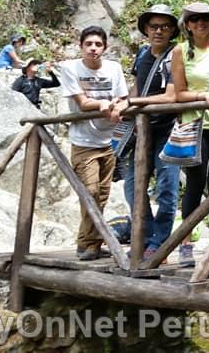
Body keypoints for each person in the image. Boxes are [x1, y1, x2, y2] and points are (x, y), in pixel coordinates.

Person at [171, 2, 209, 267]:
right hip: (194, 124)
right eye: (195, 19)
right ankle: (187, 244)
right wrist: (202, 97)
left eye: (205, 18)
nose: (200, 23)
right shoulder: (180, 51)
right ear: (187, 24)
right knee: (195, 182)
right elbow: (178, 93)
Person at [59, 26, 129, 260]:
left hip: (109, 140)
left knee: (102, 194)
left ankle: (89, 244)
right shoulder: (70, 68)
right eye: (89, 44)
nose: (93, 48)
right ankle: (89, 243)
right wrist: (101, 105)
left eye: (98, 44)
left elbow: (122, 97)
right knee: (90, 191)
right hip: (83, 142)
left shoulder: (114, 68)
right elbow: (81, 102)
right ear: (81, 46)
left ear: (105, 48)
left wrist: (118, 106)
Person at [119, 4, 180, 262]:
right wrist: (122, 102)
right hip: (141, 130)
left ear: (172, 31)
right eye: (154, 26)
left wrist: (133, 105)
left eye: (164, 27)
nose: (159, 31)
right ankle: (144, 237)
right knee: (133, 186)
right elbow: (137, 87)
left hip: (167, 129)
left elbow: (171, 95)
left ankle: (160, 243)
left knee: (167, 187)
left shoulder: (174, 54)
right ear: (145, 29)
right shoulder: (143, 54)